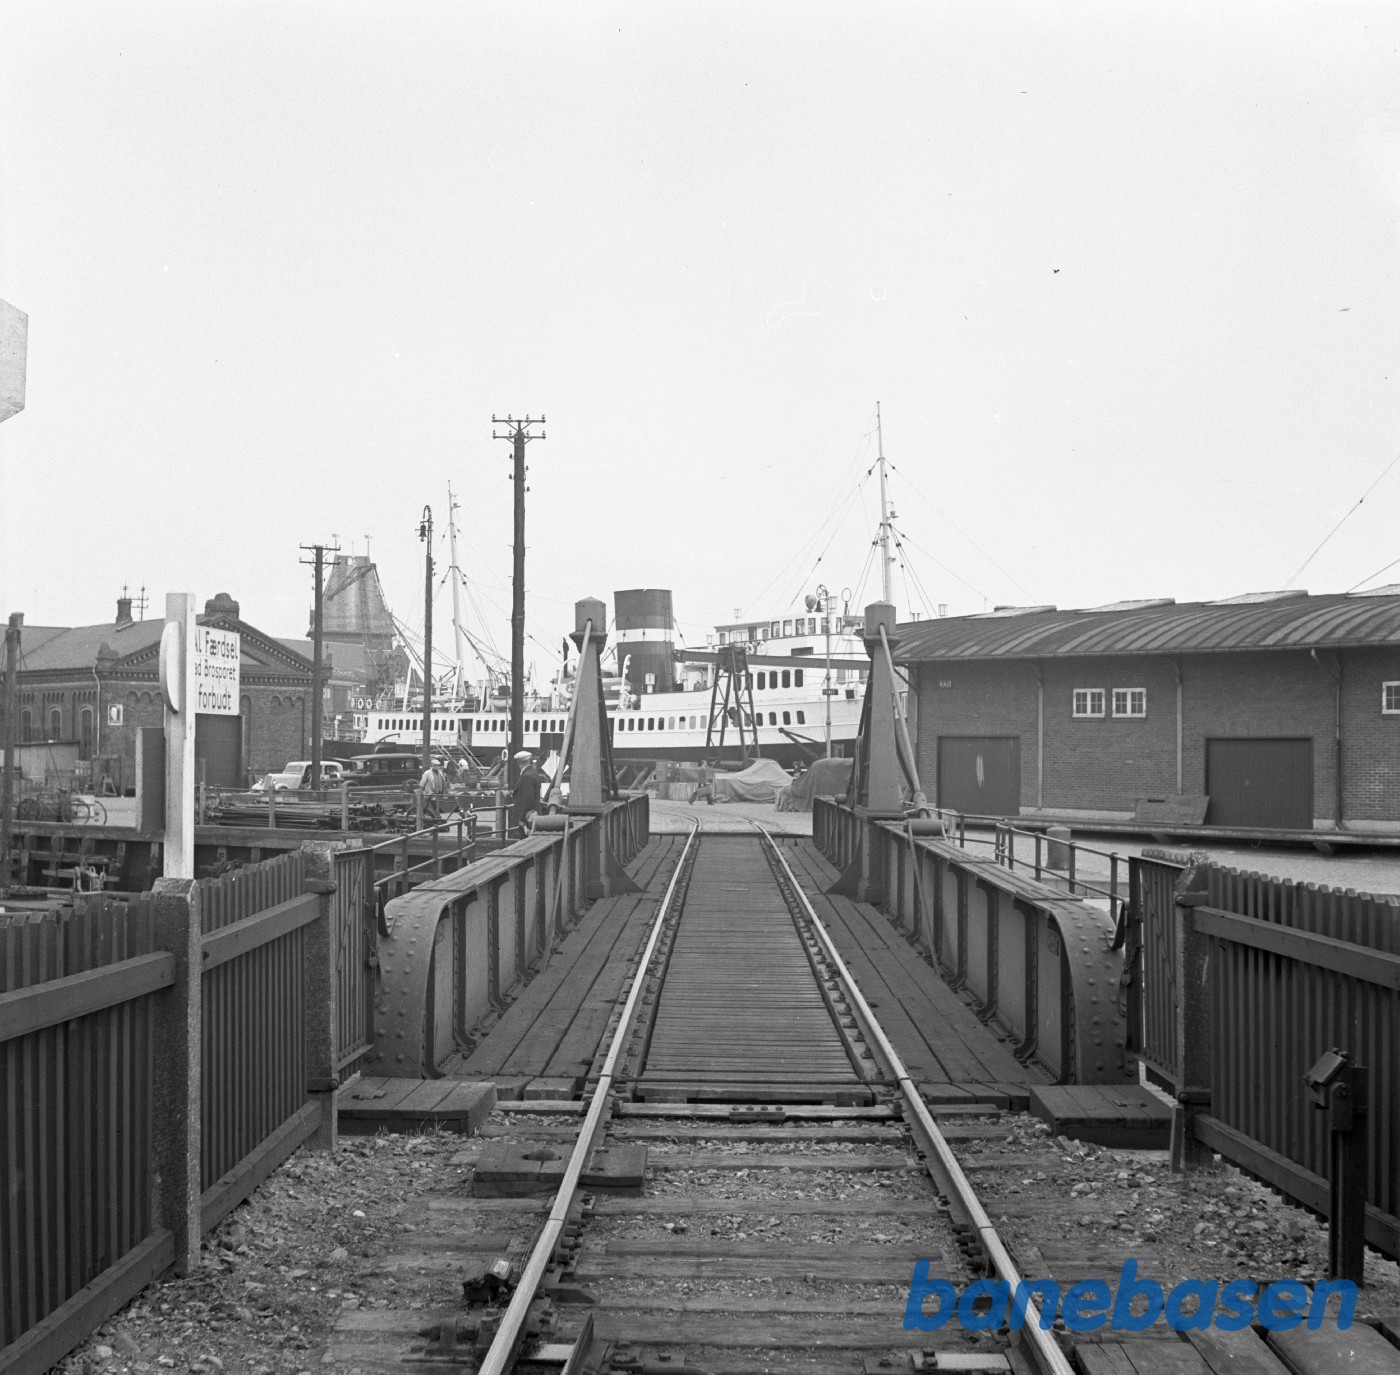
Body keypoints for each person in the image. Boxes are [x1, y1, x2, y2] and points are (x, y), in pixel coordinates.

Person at [512, 749, 546, 836]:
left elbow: (526, 799)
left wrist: (521, 819)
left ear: (519, 762)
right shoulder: (534, 773)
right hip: (534, 815)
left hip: (527, 819)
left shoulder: (526, 776)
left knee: (525, 840)